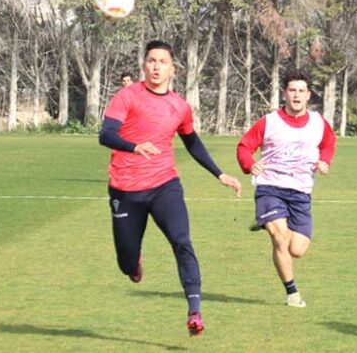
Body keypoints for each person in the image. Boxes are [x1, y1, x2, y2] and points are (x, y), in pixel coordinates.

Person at [98, 40, 242, 337]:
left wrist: (220, 174)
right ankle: (133, 262)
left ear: (172, 69)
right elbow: (106, 135)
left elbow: (192, 142)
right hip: (125, 189)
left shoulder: (179, 106)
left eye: (162, 61)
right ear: (144, 65)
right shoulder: (127, 96)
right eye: (151, 60)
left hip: (165, 185)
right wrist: (133, 146)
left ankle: (195, 310)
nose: (156, 66)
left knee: (182, 240)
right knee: (126, 264)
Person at [236, 70, 336, 308]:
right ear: (284, 93)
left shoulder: (317, 122)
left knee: (297, 249)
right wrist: (250, 164)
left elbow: (329, 143)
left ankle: (267, 221)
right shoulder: (269, 122)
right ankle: (292, 294)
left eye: (301, 91)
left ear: (308, 95)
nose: (296, 95)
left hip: (301, 192)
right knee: (280, 239)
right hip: (270, 187)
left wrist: (325, 161)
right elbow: (244, 147)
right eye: (292, 90)